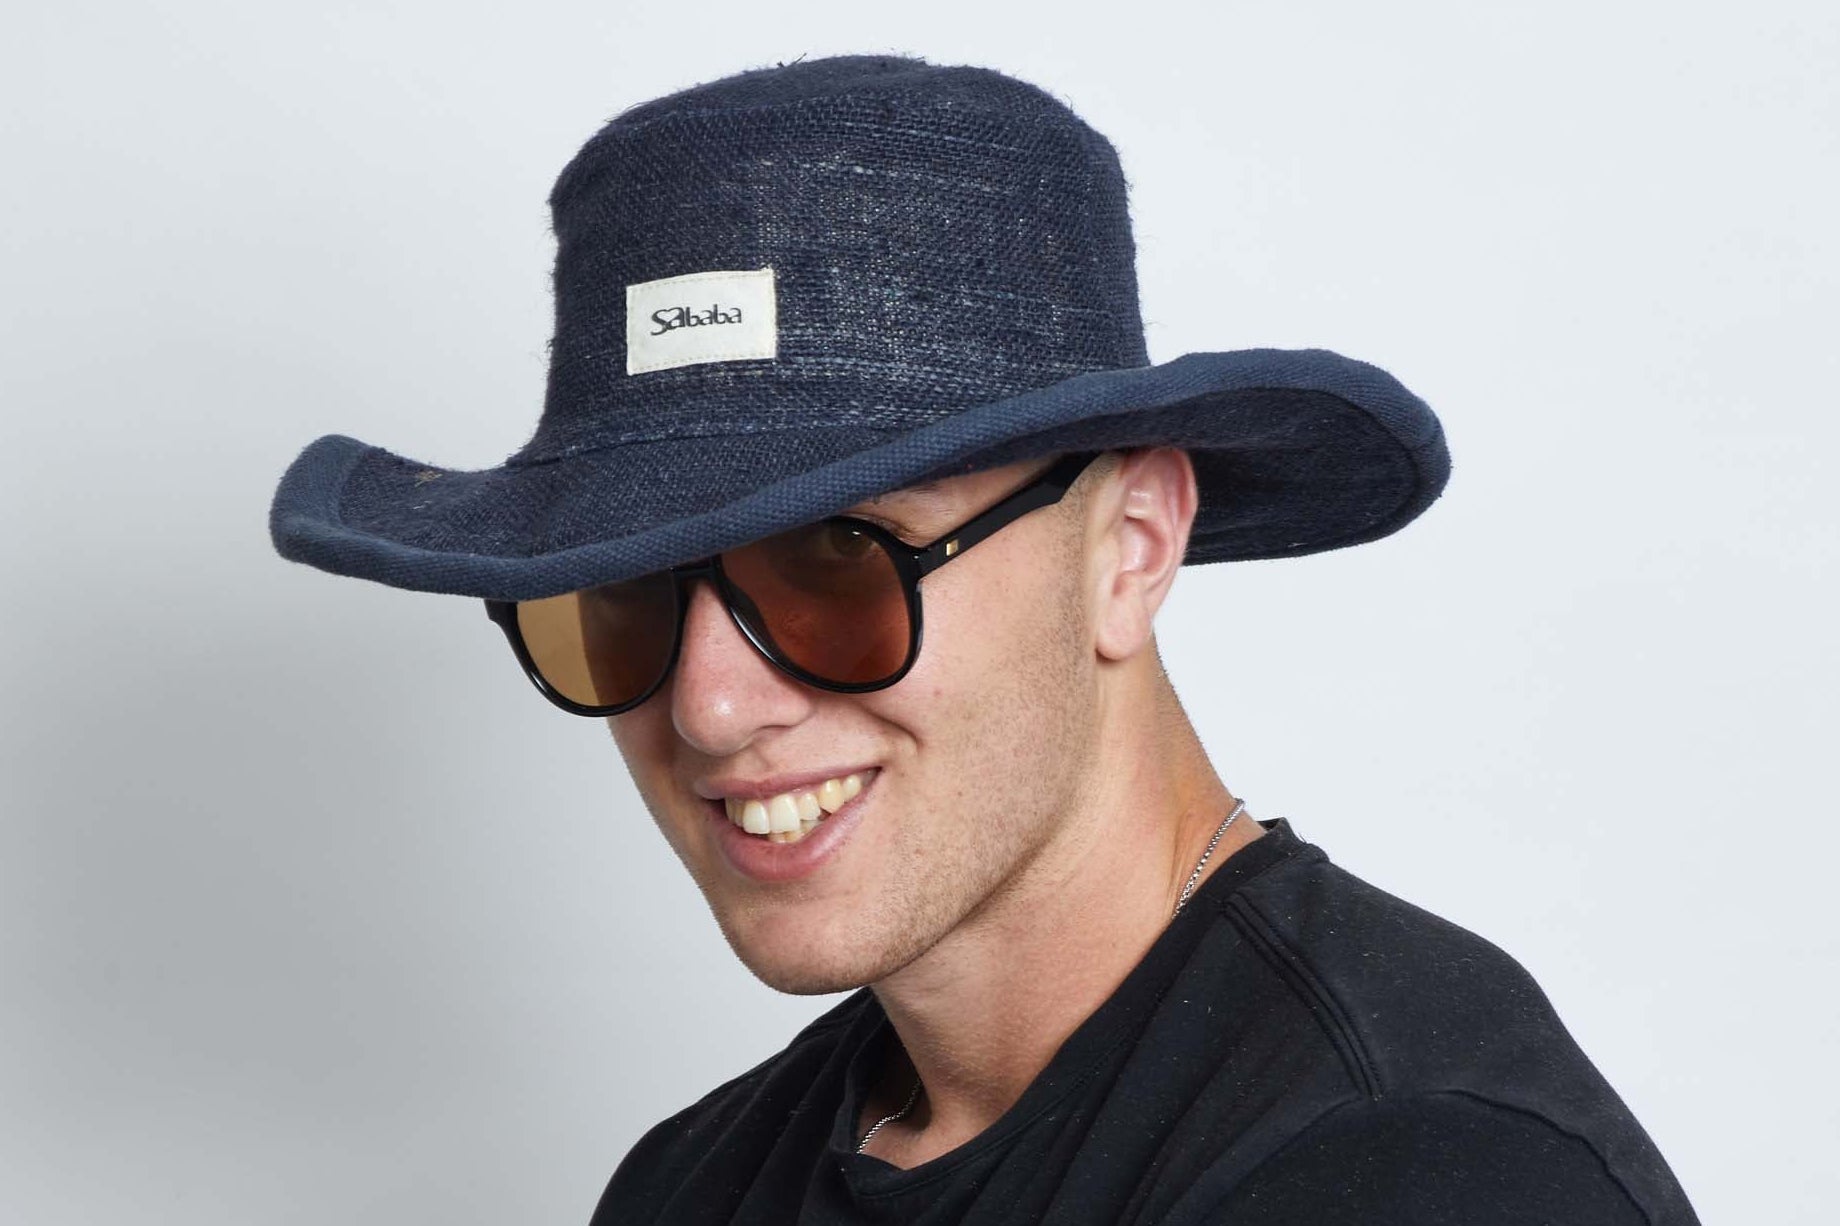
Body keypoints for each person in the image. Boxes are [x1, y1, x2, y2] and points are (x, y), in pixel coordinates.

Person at [270, 54, 1701, 1225]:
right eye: (622, 591)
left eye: (839, 556)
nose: (709, 704)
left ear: (1130, 544)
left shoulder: (1415, 1169)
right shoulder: (694, 1185)